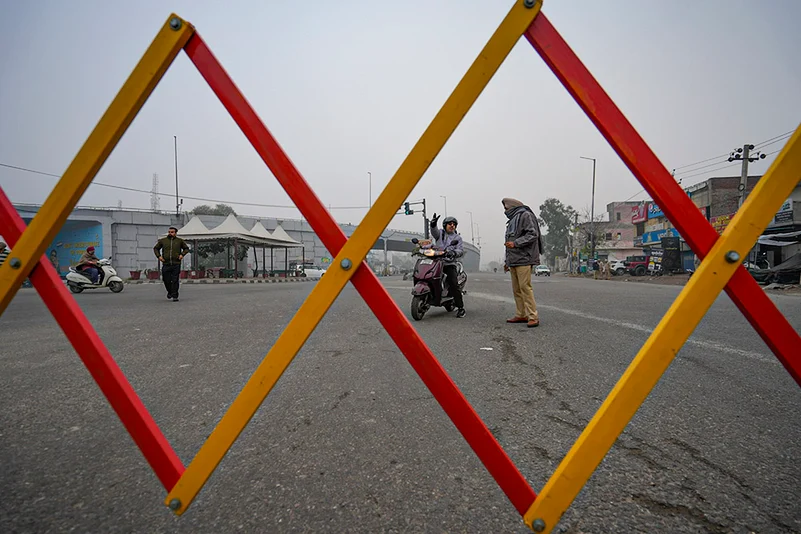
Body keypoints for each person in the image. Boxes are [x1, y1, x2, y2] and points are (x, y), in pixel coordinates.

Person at [502, 197, 542, 328]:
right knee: (517, 289)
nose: (505, 211)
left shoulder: (525, 215)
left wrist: (516, 243)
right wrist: (507, 261)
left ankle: (533, 316)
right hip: (514, 259)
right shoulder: (512, 220)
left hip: (524, 258)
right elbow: (508, 242)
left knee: (525, 288)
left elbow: (532, 234)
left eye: (506, 208)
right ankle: (521, 314)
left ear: (512, 207)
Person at [429, 213, 465, 318]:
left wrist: (454, 253)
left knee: (453, 283)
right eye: (449, 223)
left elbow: (460, 250)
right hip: (437, 262)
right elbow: (434, 231)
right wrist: (433, 224)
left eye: (454, 224)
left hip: (449, 263)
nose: (452, 225)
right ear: (445, 225)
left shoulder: (457, 238)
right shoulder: (440, 234)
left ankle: (461, 308)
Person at [154, 226, 190, 301]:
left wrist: (182, 255)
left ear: (176, 233)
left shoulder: (179, 241)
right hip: (166, 263)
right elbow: (156, 248)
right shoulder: (163, 241)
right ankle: (170, 292)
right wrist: (159, 256)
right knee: (166, 279)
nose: (170, 233)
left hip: (176, 263)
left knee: (175, 280)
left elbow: (186, 248)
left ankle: (175, 296)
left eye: (172, 232)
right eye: (169, 232)